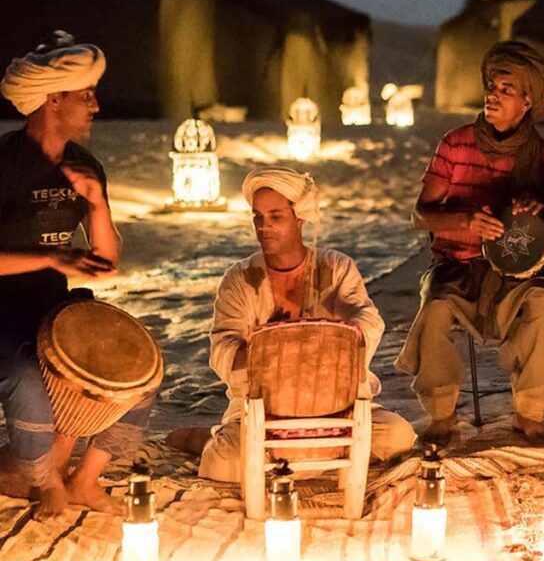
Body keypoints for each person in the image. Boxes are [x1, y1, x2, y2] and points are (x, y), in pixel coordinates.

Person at [166, 167, 415, 480]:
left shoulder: (336, 267)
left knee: (399, 437)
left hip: (335, 406)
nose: (264, 227)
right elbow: (222, 352)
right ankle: (207, 438)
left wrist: (341, 332)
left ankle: (290, 455)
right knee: (221, 465)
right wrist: (270, 350)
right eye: (258, 217)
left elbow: (368, 319)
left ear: (299, 218)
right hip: (265, 411)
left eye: (275, 217)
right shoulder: (240, 280)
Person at [395, 40, 544, 445]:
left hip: (517, 275)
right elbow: (419, 215)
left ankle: (529, 413)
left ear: (527, 101)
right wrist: (464, 221)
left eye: (505, 89)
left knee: (542, 303)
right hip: (457, 266)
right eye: (491, 86)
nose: (492, 95)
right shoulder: (455, 143)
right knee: (434, 309)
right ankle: (442, 416)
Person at [0, 31, 151, 517]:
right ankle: (44, 482)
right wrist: (52, 260)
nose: (96, 106)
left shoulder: (84, 165)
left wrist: (98, 204)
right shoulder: (4, 164)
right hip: (3, 310)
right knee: (26, 378)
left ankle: (85, 479)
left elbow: (107, 259)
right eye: (85, 95)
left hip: (54, 310)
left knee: (138, 374)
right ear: (53, 99)